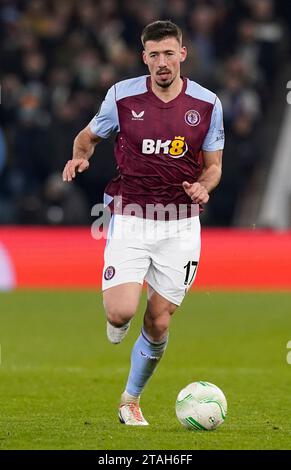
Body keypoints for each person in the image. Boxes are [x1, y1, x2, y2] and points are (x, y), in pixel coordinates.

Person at [62, 20, 224, 426]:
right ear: (144, 58)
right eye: (154, 55)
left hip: (181, 224)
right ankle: (118, 311)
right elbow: (88, 137)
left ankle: (130, 399)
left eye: (169, 53)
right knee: (119, 315)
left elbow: (214, 166)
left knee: (159, 319)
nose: (162, 62)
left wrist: (204, 187)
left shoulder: (207, 104)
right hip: (130, 216)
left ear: (182, 55)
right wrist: (80, 156)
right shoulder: (121, 96)